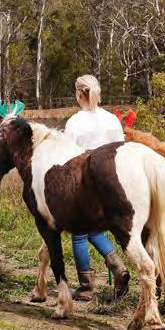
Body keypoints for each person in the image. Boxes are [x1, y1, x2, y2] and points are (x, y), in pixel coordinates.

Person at [64, 74, 130, 301]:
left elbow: (67, 156)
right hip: (111, 184)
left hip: (84, 182)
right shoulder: (112, 120)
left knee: (79, 234)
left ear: (79, 94)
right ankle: (118, 267)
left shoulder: (75, 122)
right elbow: (122, 150)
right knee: (95, 229)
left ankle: (85, 287)